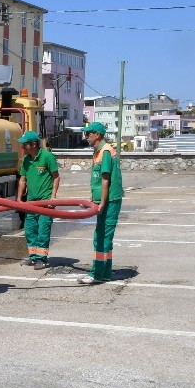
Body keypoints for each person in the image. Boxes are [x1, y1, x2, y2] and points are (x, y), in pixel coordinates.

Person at [79, 122, 123, 285]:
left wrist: (102, 202)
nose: (86, 137)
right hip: (106, 200)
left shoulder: (105, 152)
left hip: (110, 201)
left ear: (97, 135)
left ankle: (96, 274)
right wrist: (93, 200)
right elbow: (98, 182)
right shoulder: (99, 152)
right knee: (105, 237)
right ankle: (105, 272)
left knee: (101, 237)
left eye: (88, 134)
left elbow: (106, 180)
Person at [16, 130, 59, 270]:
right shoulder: (27, 160)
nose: (22, 147)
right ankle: (33, 257)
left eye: (25, 144)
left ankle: (42, 259)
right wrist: (19, 199)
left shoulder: (47, 157)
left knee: (43, 229)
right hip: (31, 201)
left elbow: (56, 177)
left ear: (33, 144)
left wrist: (53, 197)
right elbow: (22, 180)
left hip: (45, 201)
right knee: (30, 230)